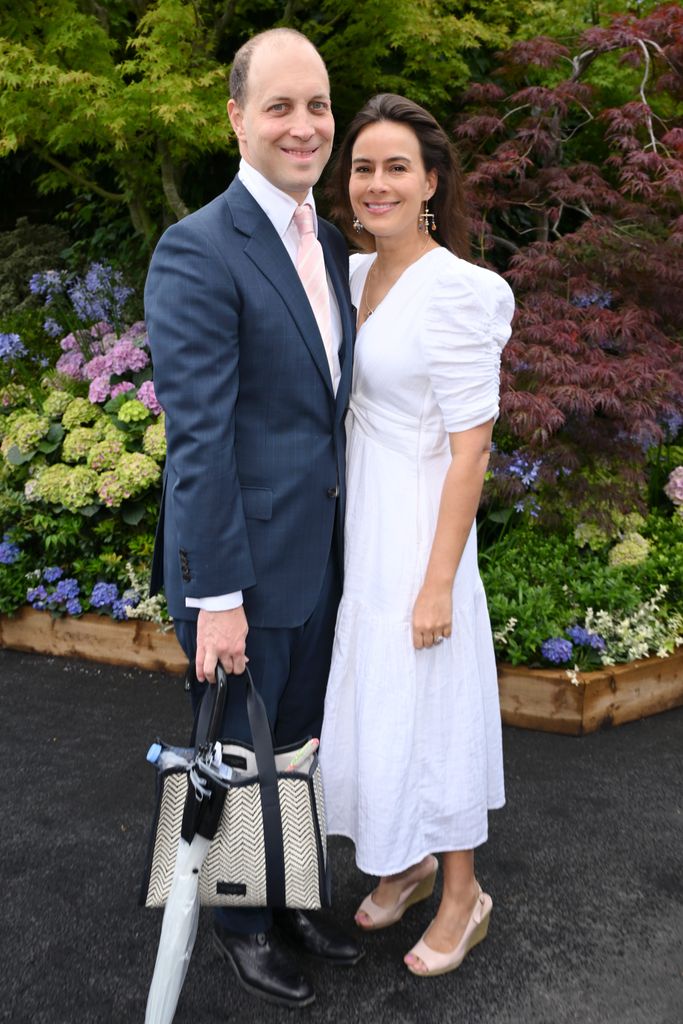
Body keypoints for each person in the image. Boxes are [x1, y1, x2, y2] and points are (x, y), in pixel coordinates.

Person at [144, 28, 361, 1010]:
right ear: (234, 118)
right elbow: (199, 441)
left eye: (315, 105)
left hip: (317, 556)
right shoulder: (196, 250)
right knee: (238, 750)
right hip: (242, 572)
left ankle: (286, 893)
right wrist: (215, 595)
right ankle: (238, 920)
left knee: (299, 741)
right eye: (278, 105)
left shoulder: (330, 244)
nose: (302, 125)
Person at [319, 93, 514, 977]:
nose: (377, 183)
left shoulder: (461, 291)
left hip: (423, 529)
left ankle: (462, 893)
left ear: (431, 181)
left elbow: (472, 449)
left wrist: (439, 581)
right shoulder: (351, 276)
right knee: (373, 699)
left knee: (431, 701)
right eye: (363, 166)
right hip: (364, 521)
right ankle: (403, 860)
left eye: (397, 166)